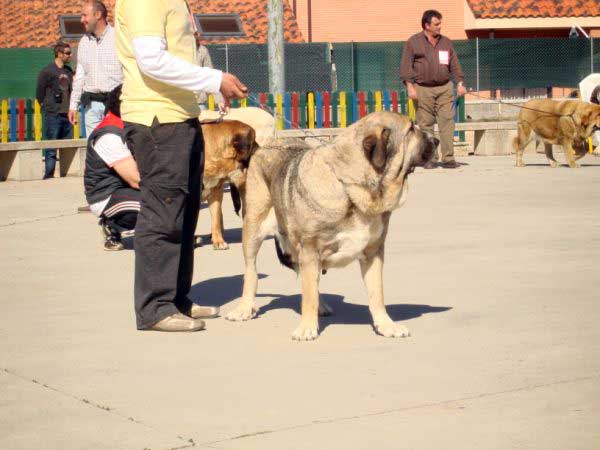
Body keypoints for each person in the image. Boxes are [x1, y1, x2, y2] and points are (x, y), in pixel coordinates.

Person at [115, 0, 248, 332]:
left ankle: (176, 299)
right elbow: (151, 61)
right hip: (156, 121)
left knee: (185, 214)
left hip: (181, 117)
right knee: (164, 213)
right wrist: (214, 79)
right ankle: (155, 307)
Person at [400, 9, 467, 169]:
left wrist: (459, 83)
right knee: (426, 125)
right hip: (422, 89)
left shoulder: (446, 42)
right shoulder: (413, 42)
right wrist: (410, 87)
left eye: (440, 24)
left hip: (444, 88)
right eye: (436, 24)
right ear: (426, 25)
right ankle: (430, 159)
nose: (440, 27)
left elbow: (454, 64)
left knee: (447, 123)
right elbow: (405, 66)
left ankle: (448, 158)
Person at [84, 85, 141, 251]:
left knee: (173, 198)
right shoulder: (109, 135)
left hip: (126, 190)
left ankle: (172, 233)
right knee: (157, 204)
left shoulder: (128, 128)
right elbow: (136, 179)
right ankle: (112, 224)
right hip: (106, 196)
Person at [68, 0, 123, 137]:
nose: (82, 20)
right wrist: (73, 105)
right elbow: (80, 77)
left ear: (98, 14)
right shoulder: (84, 42)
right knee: (94, 150)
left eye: (84, 15)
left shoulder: (119, 38)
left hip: (116, 106)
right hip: (91, 107)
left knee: (119, 149)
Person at [36, 42, 74, 179]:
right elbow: (39, 93)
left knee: (67, 148)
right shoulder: (47, 71)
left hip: (67, 114)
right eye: (68, 53)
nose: (71, 55)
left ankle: (67, 176)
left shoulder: (68, 71)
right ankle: (49, 176)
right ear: (59, 54)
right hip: (53, 114)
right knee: (51, 147)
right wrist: (47, 106)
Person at [194, 32, 224, 111]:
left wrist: (219, 101)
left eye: (195, 34)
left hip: (199, 103)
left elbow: (209, 75)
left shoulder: (202, 51)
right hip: (178, 105)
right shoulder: (174, 51)